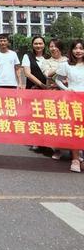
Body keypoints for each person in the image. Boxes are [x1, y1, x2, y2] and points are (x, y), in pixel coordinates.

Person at [55, 39, 84, 173]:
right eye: (76, 48)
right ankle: (75, 159)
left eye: (81, 48)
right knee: (75, 130)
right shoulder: (66, 64)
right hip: (74, 101)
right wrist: (66, 89)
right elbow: (57, 79)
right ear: (71, 50)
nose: (78, 51)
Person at [42, 38, 68, 160]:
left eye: (55, 46)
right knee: (55, 123)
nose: (53, 48)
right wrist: (60, 69)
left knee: (69, 122)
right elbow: (47, 74)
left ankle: (76, 149)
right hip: (52, 95)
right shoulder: (46, 61)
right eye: (51, 46)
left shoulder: (68, 60)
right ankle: (58, 149)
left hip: (68, 95)